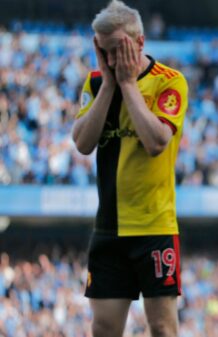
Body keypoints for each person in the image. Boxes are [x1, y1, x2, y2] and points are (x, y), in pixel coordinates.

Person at [71, 1, 188, 336]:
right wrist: (109, 84)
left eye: (117, 50)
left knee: (163, 328)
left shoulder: (170, 82)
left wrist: (128, 85)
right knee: (104, 329)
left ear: (139, 42)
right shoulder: (95, 83)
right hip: (108, 227)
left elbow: (155, 142)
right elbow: (82, 143)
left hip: (153, 226)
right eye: (103, 51)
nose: (110, 60)